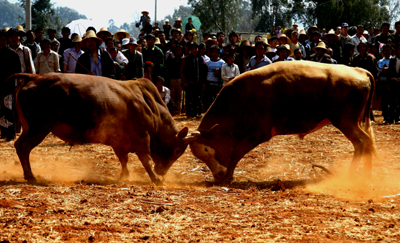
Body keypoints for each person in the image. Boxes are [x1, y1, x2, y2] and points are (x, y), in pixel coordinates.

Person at [0, 29, 21, 141]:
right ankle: (3, 133)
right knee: (1, 111)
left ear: (6, 40)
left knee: (8, 110)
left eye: (3, 40)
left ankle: (11, 134)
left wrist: (16, 87)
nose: (1, 42)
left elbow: (18, 72)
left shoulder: (12, 54)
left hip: (9, 87)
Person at [180, 42, 207, 118]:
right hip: (189, 83)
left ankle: (197, 113)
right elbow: (182, 71)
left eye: (196, 48)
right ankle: (189, 114)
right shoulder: (186, 59)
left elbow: (204, 71)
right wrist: (184, 82)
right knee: (189, 99)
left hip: (199, 83)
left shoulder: (201, 59)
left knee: (198, 99)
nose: (195, 50)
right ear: (190, 50)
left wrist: (203, 82)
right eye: (193, 49)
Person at [203, 45, 225, 110]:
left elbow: (224, 74)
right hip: (209, 84)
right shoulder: (207, 63)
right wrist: (204, 83)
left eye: (216, 52)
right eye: (213, 52)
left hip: (217, 84)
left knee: (217, 101)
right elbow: (204, 74)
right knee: (208, 101)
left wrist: (219, 73)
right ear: (210, 53)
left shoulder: (222, 63)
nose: (214, 53)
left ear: (218, 53)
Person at [377, 44, 393, 124]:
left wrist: (387, 70)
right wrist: (384, 70)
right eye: (385, 50)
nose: (387, 52)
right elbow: (379, 70)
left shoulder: (394, 60)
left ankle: (392, 117)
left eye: (388, 50)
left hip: (392, 82)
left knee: (392, 100)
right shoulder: (380, 61)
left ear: (391, 51)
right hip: (383, 82)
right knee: (384, 101)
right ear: (383, 51)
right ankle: (386, 117)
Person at [166, 44, 184, 114]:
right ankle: (173, 111)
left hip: (180, 79)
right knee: (172, 96)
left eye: (179, 50)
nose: (178, 51)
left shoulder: (183, 60)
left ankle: (178, 111)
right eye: (177, 50)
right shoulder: (171, 60)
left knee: (179, 96)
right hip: (172, 79)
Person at [387, 43, 400, 123]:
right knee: (392, 101)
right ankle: (391, 117)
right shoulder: (392, 60)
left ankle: (398, 117)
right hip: (393, 82)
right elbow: (389, 72)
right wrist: (388, 82)